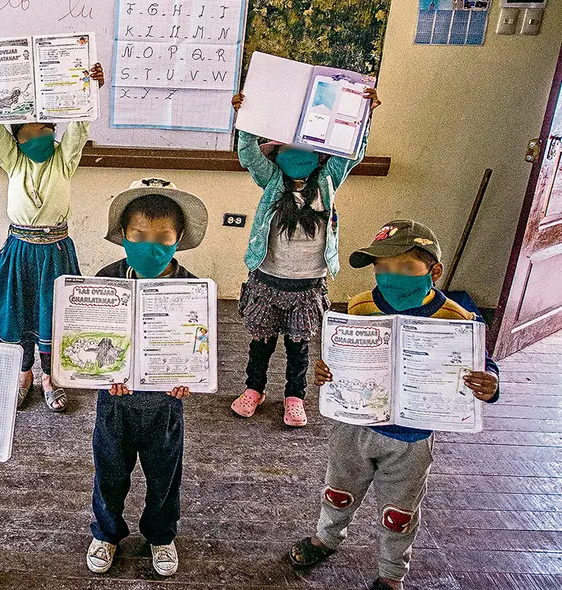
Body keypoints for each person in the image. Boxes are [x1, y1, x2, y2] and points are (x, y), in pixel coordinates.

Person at [290, 220, 500, 590]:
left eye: (405, 267)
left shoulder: (458, 318)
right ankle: (326, 538)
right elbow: (340, 358)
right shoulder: (359, 305)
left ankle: (391, 574)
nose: (390, 276)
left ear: (433, 271)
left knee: (399, 512)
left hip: (412, 438)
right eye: (382, 267)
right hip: (355, 425)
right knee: (338, 490)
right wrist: (327, 370)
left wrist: (490, 383)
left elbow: (482, 366)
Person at [229, 89, 380, 427]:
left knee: (299, 348)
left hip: (308, 285)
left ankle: (295, 396)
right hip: (267, 280)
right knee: (261, 343)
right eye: (290, 148)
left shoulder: (328, 180)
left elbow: (353, 153)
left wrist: (364, 115)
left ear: (320, 156)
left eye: (307, 149)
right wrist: (247, 117)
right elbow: (249, 154)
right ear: (278, 154)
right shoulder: (272, 182)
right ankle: (255, 389)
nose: (298, 154)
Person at [0, 64, 104, 412]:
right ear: (17, 138)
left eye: (45, 130)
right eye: (27, 133)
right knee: (19, 313)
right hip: (20, 251)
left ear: (55, 131)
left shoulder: (64, 160)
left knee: (52, 315)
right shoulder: (13, 162)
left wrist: (90, 88)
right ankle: (23, 374)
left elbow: (80, 127)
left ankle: (50, 376)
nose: (36, 137)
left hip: (55, 251)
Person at [85, 179, 208, 578]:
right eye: (139, 236)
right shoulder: (107, 279)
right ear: (122, 235)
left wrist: (189, 375)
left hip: (164, 407)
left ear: (180, 238)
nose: (149, 245)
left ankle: (160, 535)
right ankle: (106, 533)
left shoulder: (192, 290)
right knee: (109, 475)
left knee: (164, 478)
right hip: (114, 403)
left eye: (162, 237)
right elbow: (89, 337)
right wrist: (102, 375)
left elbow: (198, 344)